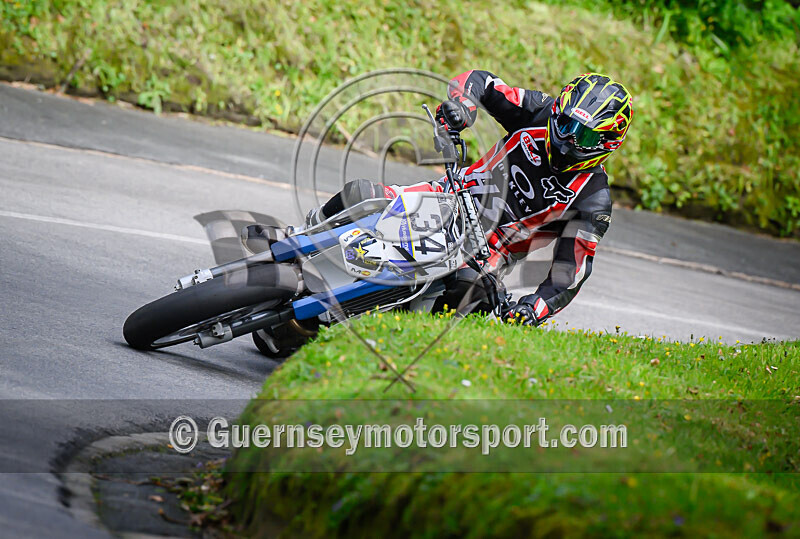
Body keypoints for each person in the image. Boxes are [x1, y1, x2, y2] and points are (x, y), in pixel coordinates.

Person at [303, 70, 632, 326]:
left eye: (582, 134)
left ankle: (404, 338)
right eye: (564, 123)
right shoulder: (537, 111)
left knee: (473, 289)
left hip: (488, 251)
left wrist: (533, 308)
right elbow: (481, 82)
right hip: (448, 195)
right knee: (361, 195)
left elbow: (569, 273)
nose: (566, 137)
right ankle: (300, 240)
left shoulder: (593, 201)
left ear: (608, 142)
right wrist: (462, 108)